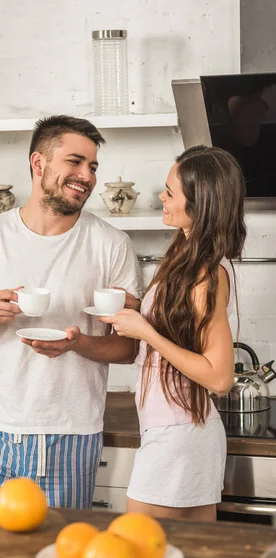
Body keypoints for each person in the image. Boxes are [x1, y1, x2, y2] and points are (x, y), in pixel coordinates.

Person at [0, 115, 143, 507]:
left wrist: (78, 344)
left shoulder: (112, 245)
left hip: (71, 433)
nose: (86, 175)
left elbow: (129, 349)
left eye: (93, 166)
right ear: (39, 164)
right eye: (75, 161)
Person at [100, 145, 247, 522]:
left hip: (179, 435)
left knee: (137, 547)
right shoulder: (185, 256)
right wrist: (133, 312)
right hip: (174, 430)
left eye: (170, 192)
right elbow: (176, 332)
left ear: (199, 203)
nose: (161, 198)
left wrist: (145, 331)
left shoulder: (207, 273)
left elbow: (219, 377)